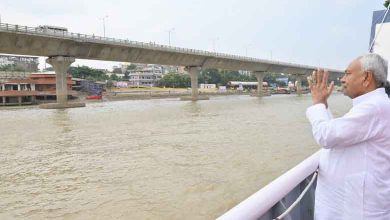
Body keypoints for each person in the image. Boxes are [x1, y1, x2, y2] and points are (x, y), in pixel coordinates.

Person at [306, 53, 390, 220]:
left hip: (359, 210)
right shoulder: (373, 106)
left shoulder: (374, 107)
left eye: (347, 74)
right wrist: (323, 104)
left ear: (366, 78)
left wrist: (317, 103)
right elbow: (339, 134)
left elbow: (326, 136)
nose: (342, 79)